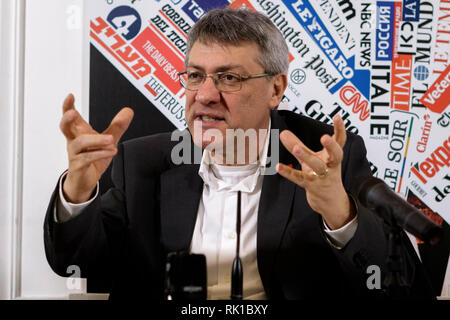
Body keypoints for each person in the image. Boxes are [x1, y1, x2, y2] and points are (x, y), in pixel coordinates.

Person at [44, 7, 434, 300]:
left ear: (276, 89)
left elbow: (403, 288)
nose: (205, 95)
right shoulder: (145, 163)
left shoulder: (322, 157)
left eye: (230, 78)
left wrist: (339, 214)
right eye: (195, 75)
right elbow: (75, 261)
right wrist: (78, 192)